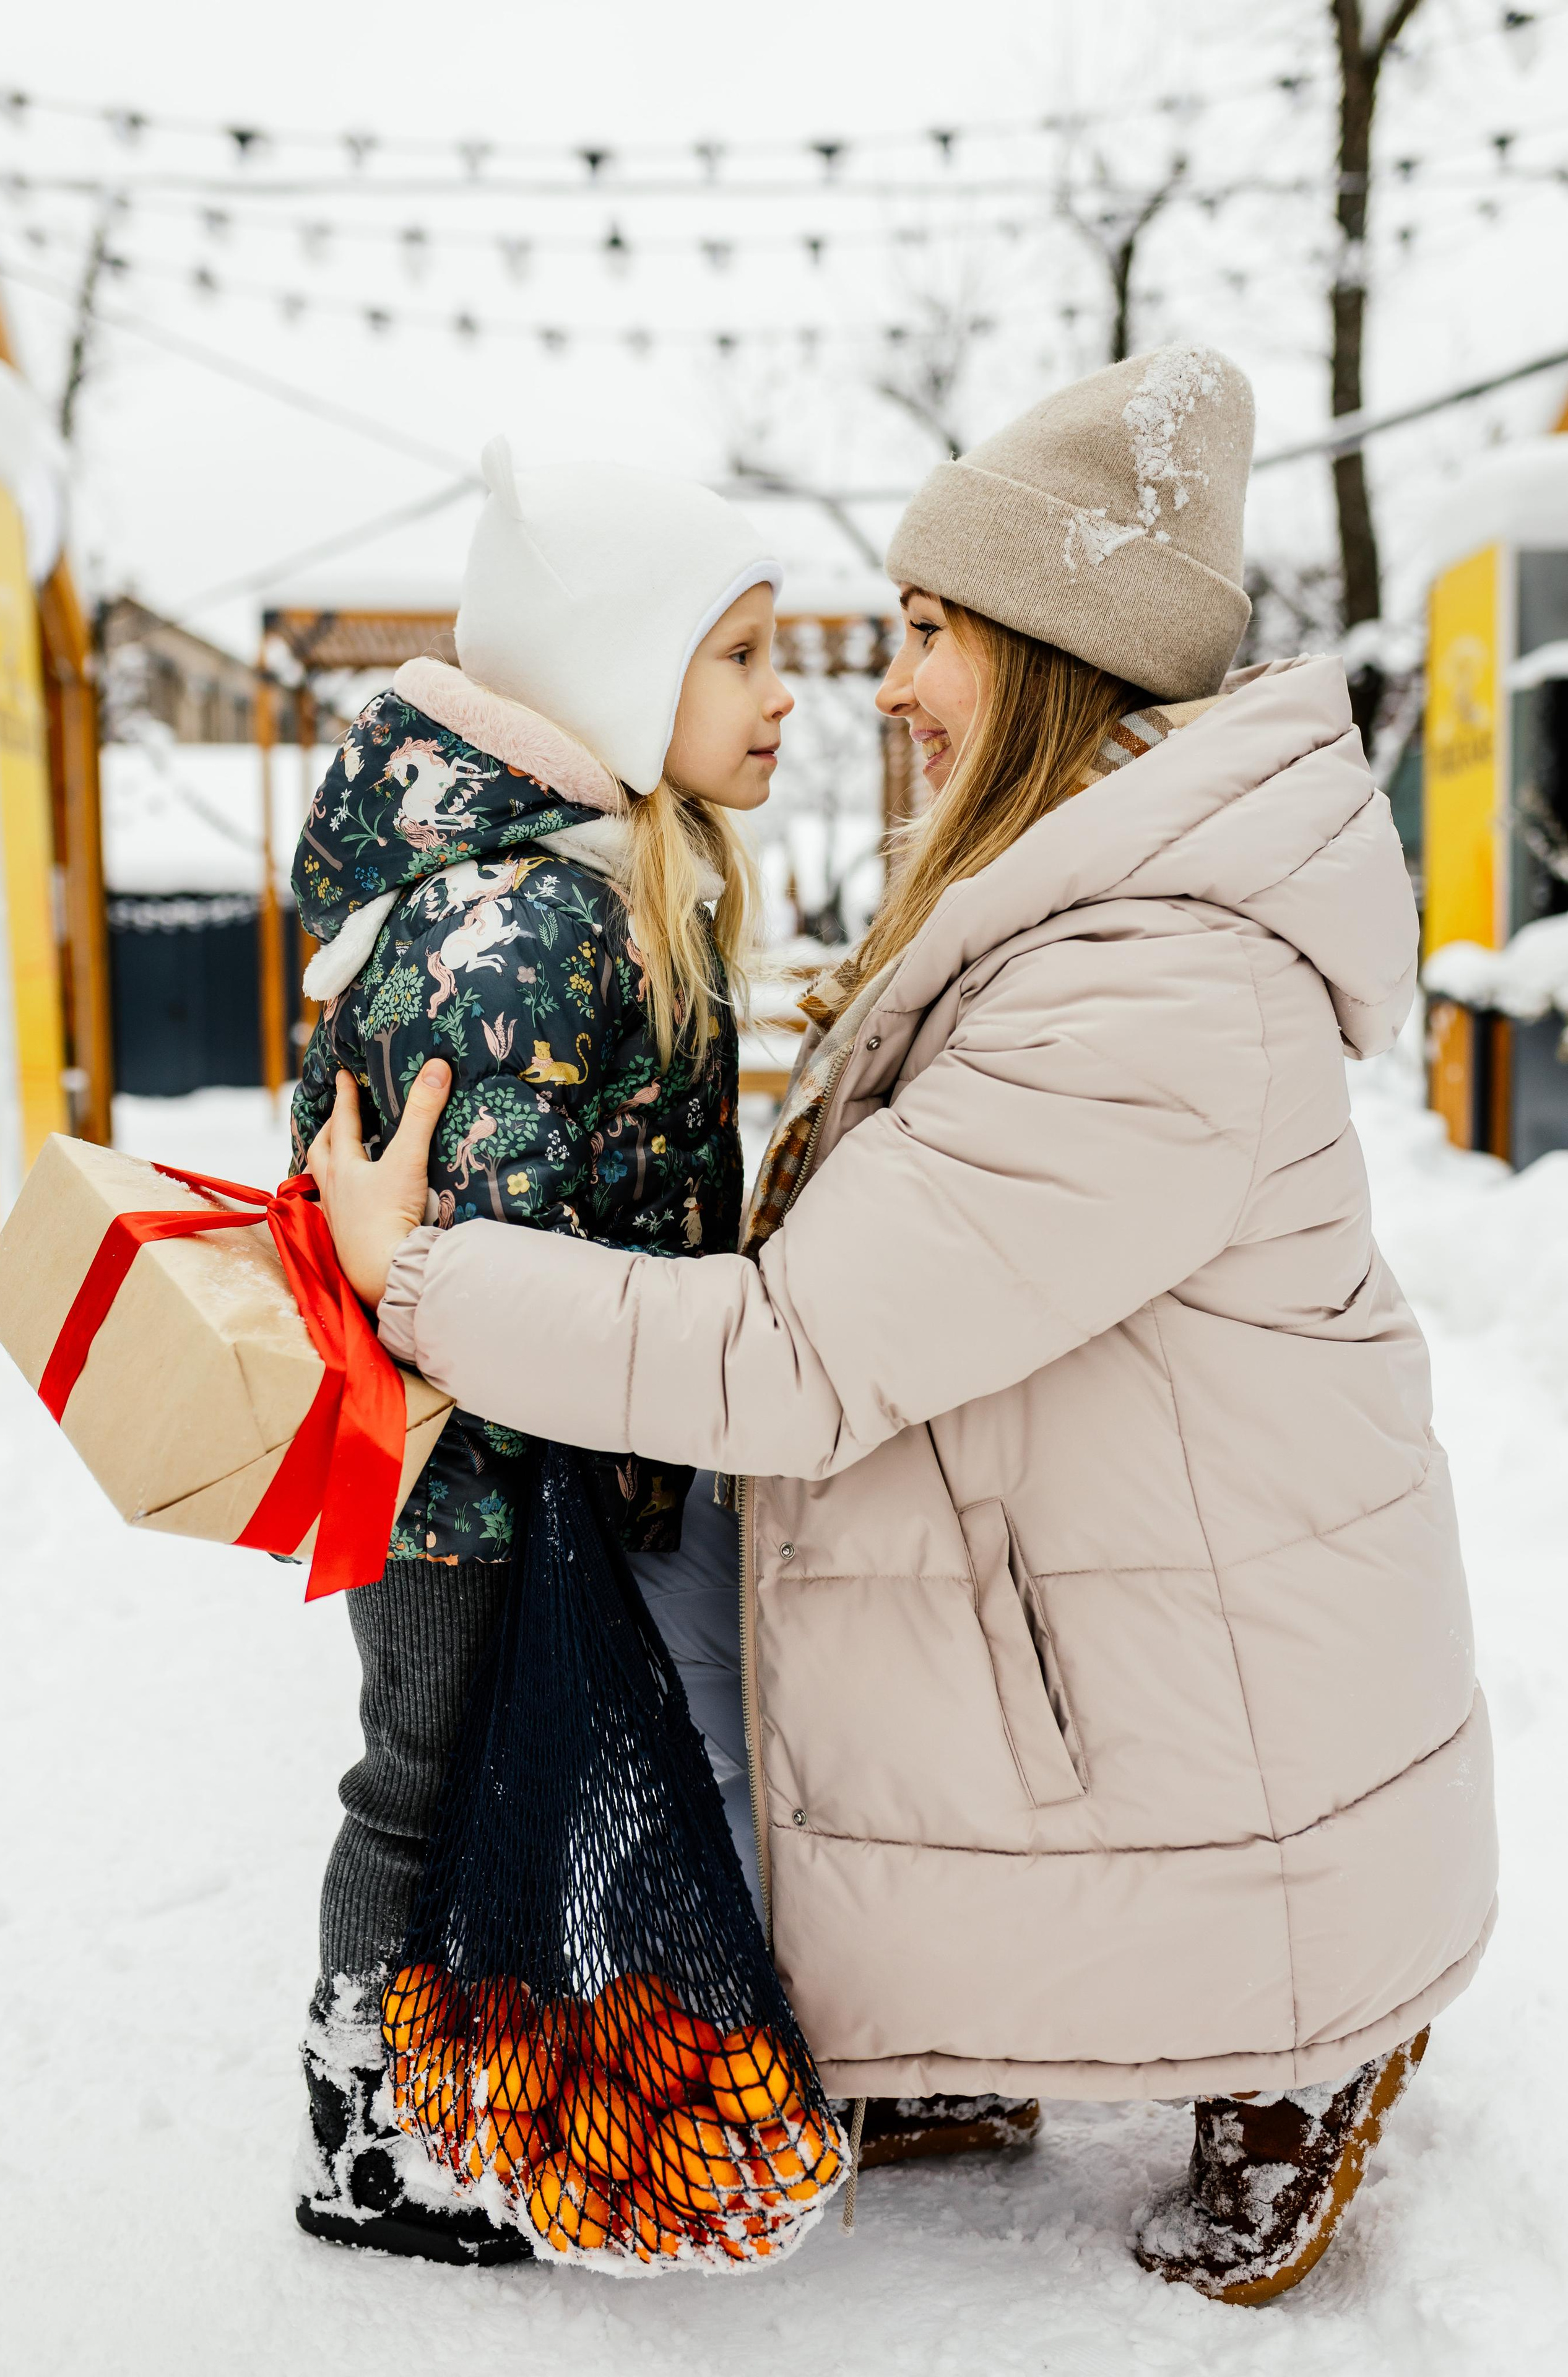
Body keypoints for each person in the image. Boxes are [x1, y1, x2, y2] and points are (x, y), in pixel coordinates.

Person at [310, 346, 1498, 2305]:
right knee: (733, 1579)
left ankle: (1307, 2034)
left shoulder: (1152, 986)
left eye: (931, 631)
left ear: (1044, 658)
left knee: (740, 1535)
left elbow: (798, 1354)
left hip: (1232, 1667)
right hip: (1114, 1567)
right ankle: (983, 2011)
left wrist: (421, 1281)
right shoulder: (1079, 903)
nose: (881, 681)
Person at [291, 440, 792, 2263]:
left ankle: (464, 2086)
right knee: (419, 1784)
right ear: (615, 670)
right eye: (738, 653)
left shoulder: (609, 892)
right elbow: (476, 1265)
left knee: (499, 1779)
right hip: (457, 1485)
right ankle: (358, 2131)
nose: (785, 689)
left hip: (543, 1463)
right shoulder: (523, 927)